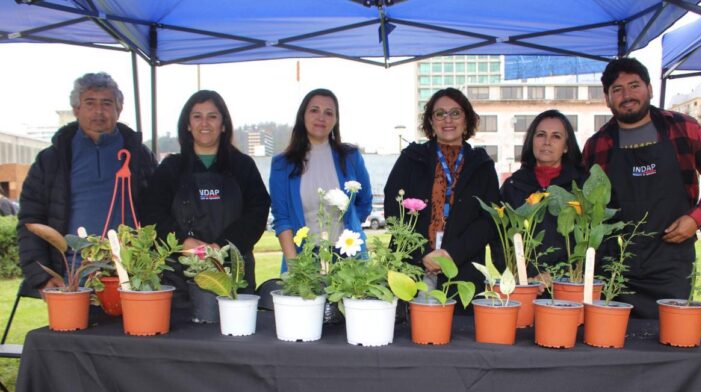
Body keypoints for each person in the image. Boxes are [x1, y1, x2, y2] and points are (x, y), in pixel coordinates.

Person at [583, 57, 701, 318]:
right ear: (607, 99)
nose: (627, 96)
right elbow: (587, 205)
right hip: (615, 266)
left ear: (650, 89)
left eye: (634, 86)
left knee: (668, 337)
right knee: (611, 337)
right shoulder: (597, 145)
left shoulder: (683, 128)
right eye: (617, 90)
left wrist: (695, 219)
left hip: (671, 263)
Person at [17, 72, 156, 292]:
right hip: (73, 276)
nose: (98, 111)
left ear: (119, 109)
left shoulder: (139, 155)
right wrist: (41, 277)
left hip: (133, 273)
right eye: (90, 103)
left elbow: (159, 211)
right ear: (76, 109)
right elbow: (31, 221)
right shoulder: (51, 160)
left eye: (107, 103)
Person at [143, 90, 270, 292]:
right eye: (197, 116)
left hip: (234, 274)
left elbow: (257, 212)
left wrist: (222, 247)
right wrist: (185, 243)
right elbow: (152, 214)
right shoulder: (170, 168)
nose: (204, 123)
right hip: (179, 277)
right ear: (187, 124)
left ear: (223, 125)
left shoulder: (243, 166)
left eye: (212, 117)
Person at [384, 87, 500, 304]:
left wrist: (451, 254)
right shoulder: (411, 158)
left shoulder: (482, 165)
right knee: (409, 324)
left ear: (466, 120)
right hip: (412, 266)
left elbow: (489, 221)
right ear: (431, 121)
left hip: (462, 269)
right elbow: (393, 209)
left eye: (455, 113)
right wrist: (422, 254)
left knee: (457, 325)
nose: (448, 119)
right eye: (440, 114)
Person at [270, 88, 372, 271]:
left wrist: (351, 226)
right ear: (303, 115)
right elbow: (282, 219)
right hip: (304, 260)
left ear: (336, 120)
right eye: (314, 110)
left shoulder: (351, 157)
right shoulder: (282, 164)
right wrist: (295, 267)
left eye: (329, 112)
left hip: (350, 259)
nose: (321, 117)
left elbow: (364, 202)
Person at [499, 109, 585, 285]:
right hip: (522, 284)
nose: (547, 142)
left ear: (566, 146)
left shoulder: (582, 186)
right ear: (532, 141)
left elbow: (594, 244)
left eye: (556, 136)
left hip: (569, 284)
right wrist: (520, 275)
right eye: (541, 135)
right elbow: (498, 241)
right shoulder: (513, 185)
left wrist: (558, 275)